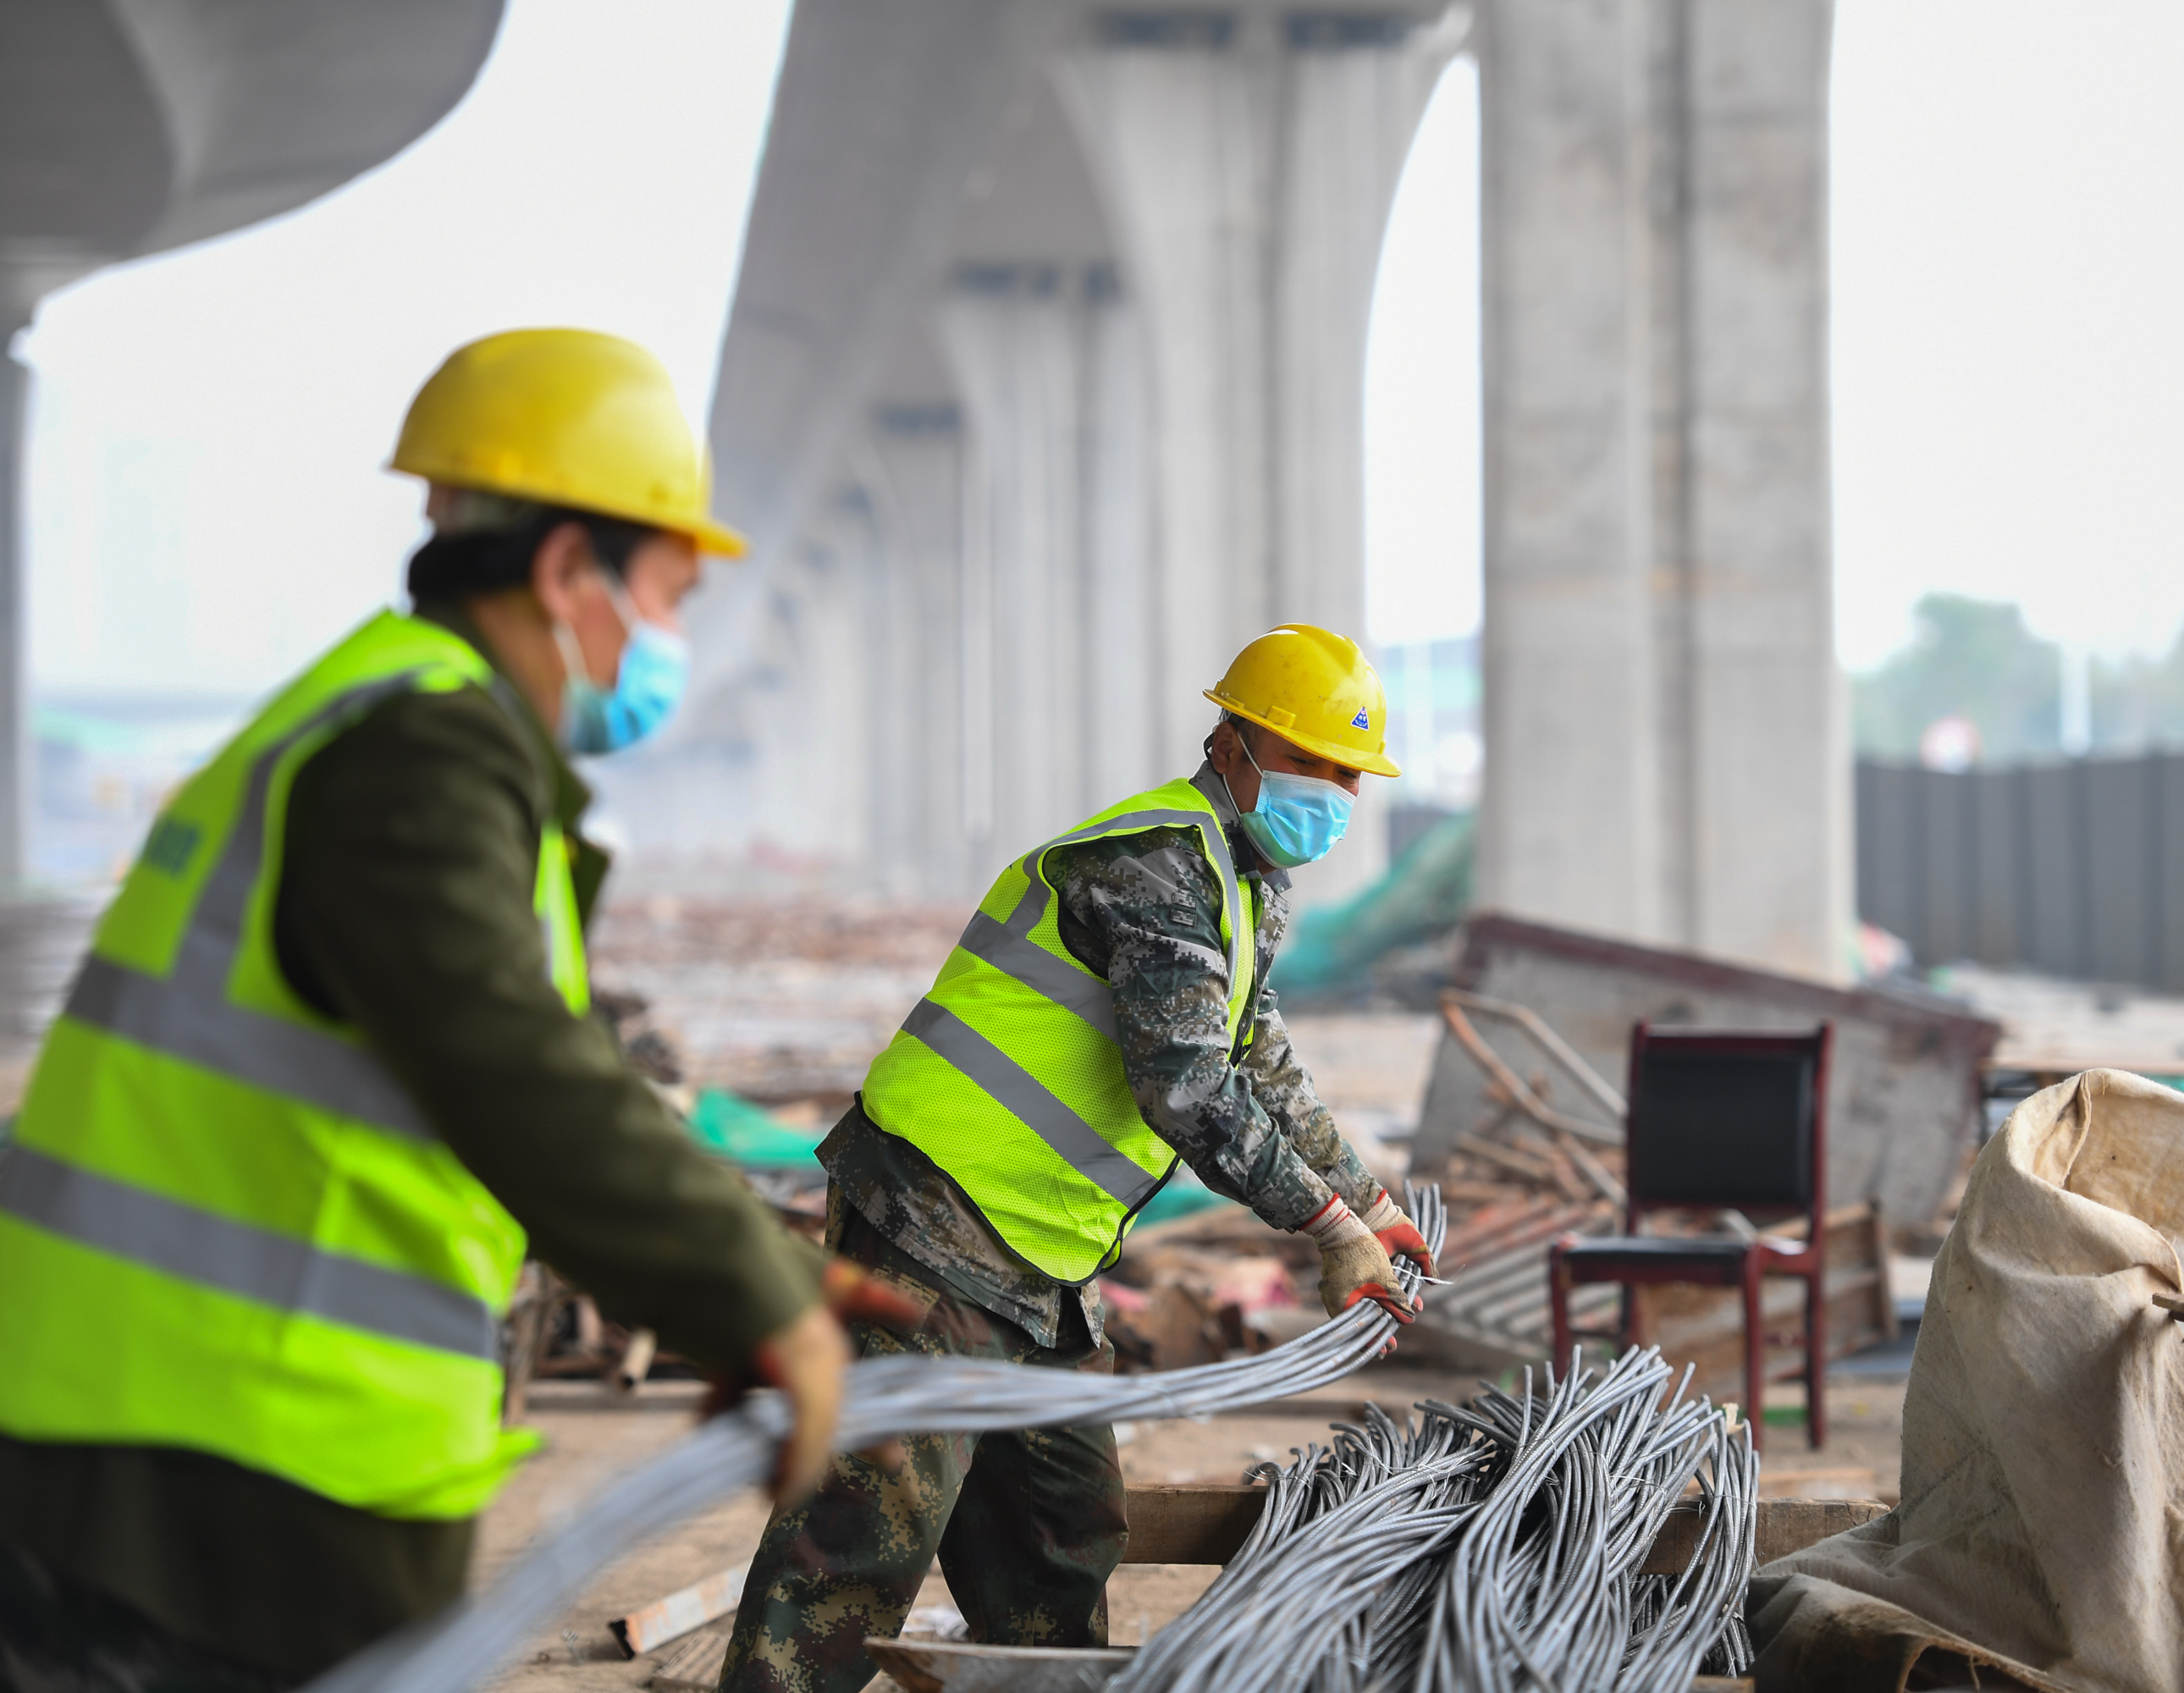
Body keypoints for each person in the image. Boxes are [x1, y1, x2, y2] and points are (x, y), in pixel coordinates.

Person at [0, 328, 913, 1691]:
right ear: (563, 572)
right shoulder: (423, 748)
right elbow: (513, 1066)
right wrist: (749, 1295)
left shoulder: (392, 725)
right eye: (662, 599)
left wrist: (768, 1280)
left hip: (209, 1446)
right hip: (209, 1467)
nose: (664, 644)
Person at [720, 623, 1437, 1693]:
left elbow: (1262, 1062)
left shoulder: (1243, 882)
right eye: (1311, 763)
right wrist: (1325, 1228)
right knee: (860, 1541)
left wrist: (1368, 1198)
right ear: (1234, 743)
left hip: (1040, 1258)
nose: (1332, 795)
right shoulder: (1151, 865)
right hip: (934, 1221)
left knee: (1059, 1535)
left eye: (1349, 775)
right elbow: (1189, 1087)